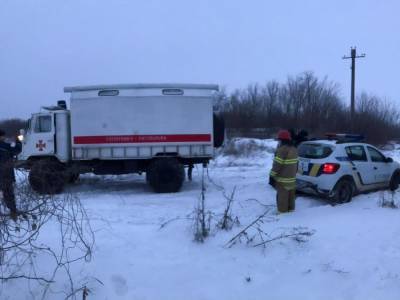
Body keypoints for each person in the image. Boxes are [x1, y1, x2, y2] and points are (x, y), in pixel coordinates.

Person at [269, 129, 298, 213]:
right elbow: (296, 164)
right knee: (291, 199)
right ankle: (292, 213)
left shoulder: (281, 150)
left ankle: (283, 218)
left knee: (282, 200)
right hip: (292, 179)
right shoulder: (294, 149)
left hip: (282, 180)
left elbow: (277, 165)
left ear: (282, 140)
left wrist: (271, 176)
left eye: (279, 140)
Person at [0, 129, 22, 220]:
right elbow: (17, 149)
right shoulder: (5, 146)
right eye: (3, 136)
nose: (4, 137)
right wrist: (18, 141)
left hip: (5, 174)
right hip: (6, 174)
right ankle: (13, 212)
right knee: (8, 193)